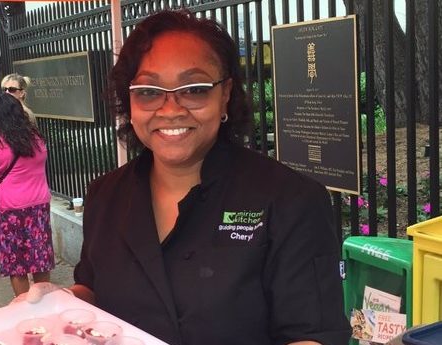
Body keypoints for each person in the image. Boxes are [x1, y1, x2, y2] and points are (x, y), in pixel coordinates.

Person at [20, 9, 351, 345]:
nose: (171, 109)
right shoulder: (105, 195)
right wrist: (58, 303)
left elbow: (312, 335)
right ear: (129, 100)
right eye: (148, 91)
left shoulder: (290, 199)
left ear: (224, 94)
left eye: (193, 89)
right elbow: (93, 288)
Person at [0, 93, 54, 296]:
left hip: (9, 208)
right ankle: (44, 302)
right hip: (39, 205)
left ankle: (23, 305)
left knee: (16, 262)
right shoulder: (37, 139)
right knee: (40, 258)